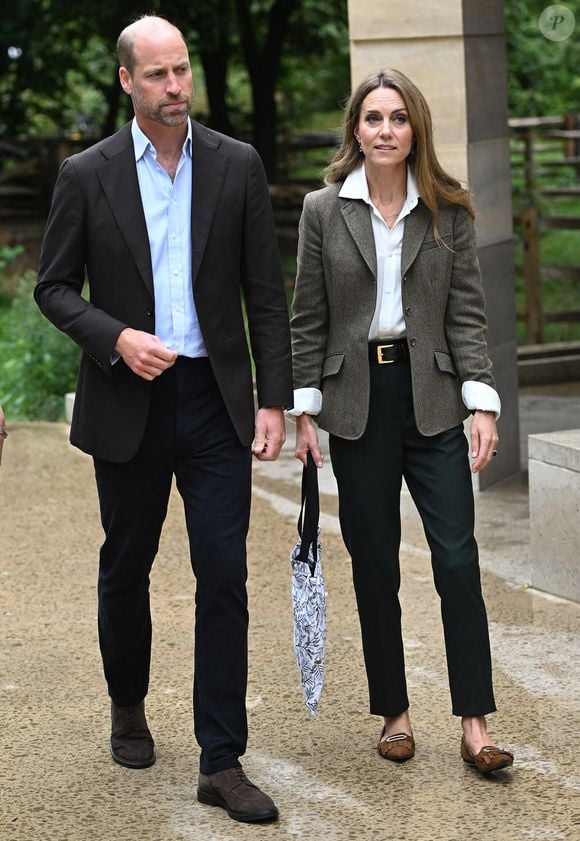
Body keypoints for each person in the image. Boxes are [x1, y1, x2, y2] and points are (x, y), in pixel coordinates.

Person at [35, 15, 291, 823]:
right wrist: (114, 337)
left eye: (181, 71)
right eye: (157, 75)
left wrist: (274, 399)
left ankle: (221, 757)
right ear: (126, 81)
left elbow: (264, 291)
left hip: (216, 403)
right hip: (130, 401)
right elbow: (53, 286)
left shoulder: (237, 164)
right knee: (128, 563)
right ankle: (127, 701)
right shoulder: (87, 173)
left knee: (224, 573)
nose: (175, 86)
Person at [290, 69, 514, 775]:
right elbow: (308, 318)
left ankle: (474, 723)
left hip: (437, 396)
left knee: (456, 558)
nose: (385, 130)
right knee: (375, 563)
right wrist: (304, 410)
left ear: (415, 128)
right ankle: (395, 713)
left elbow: (468, 314)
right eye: (372, 117)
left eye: (397, 118)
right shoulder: (323, 211)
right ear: (355, 128)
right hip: (356, 403)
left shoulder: (447, 209)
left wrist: (482, 401)